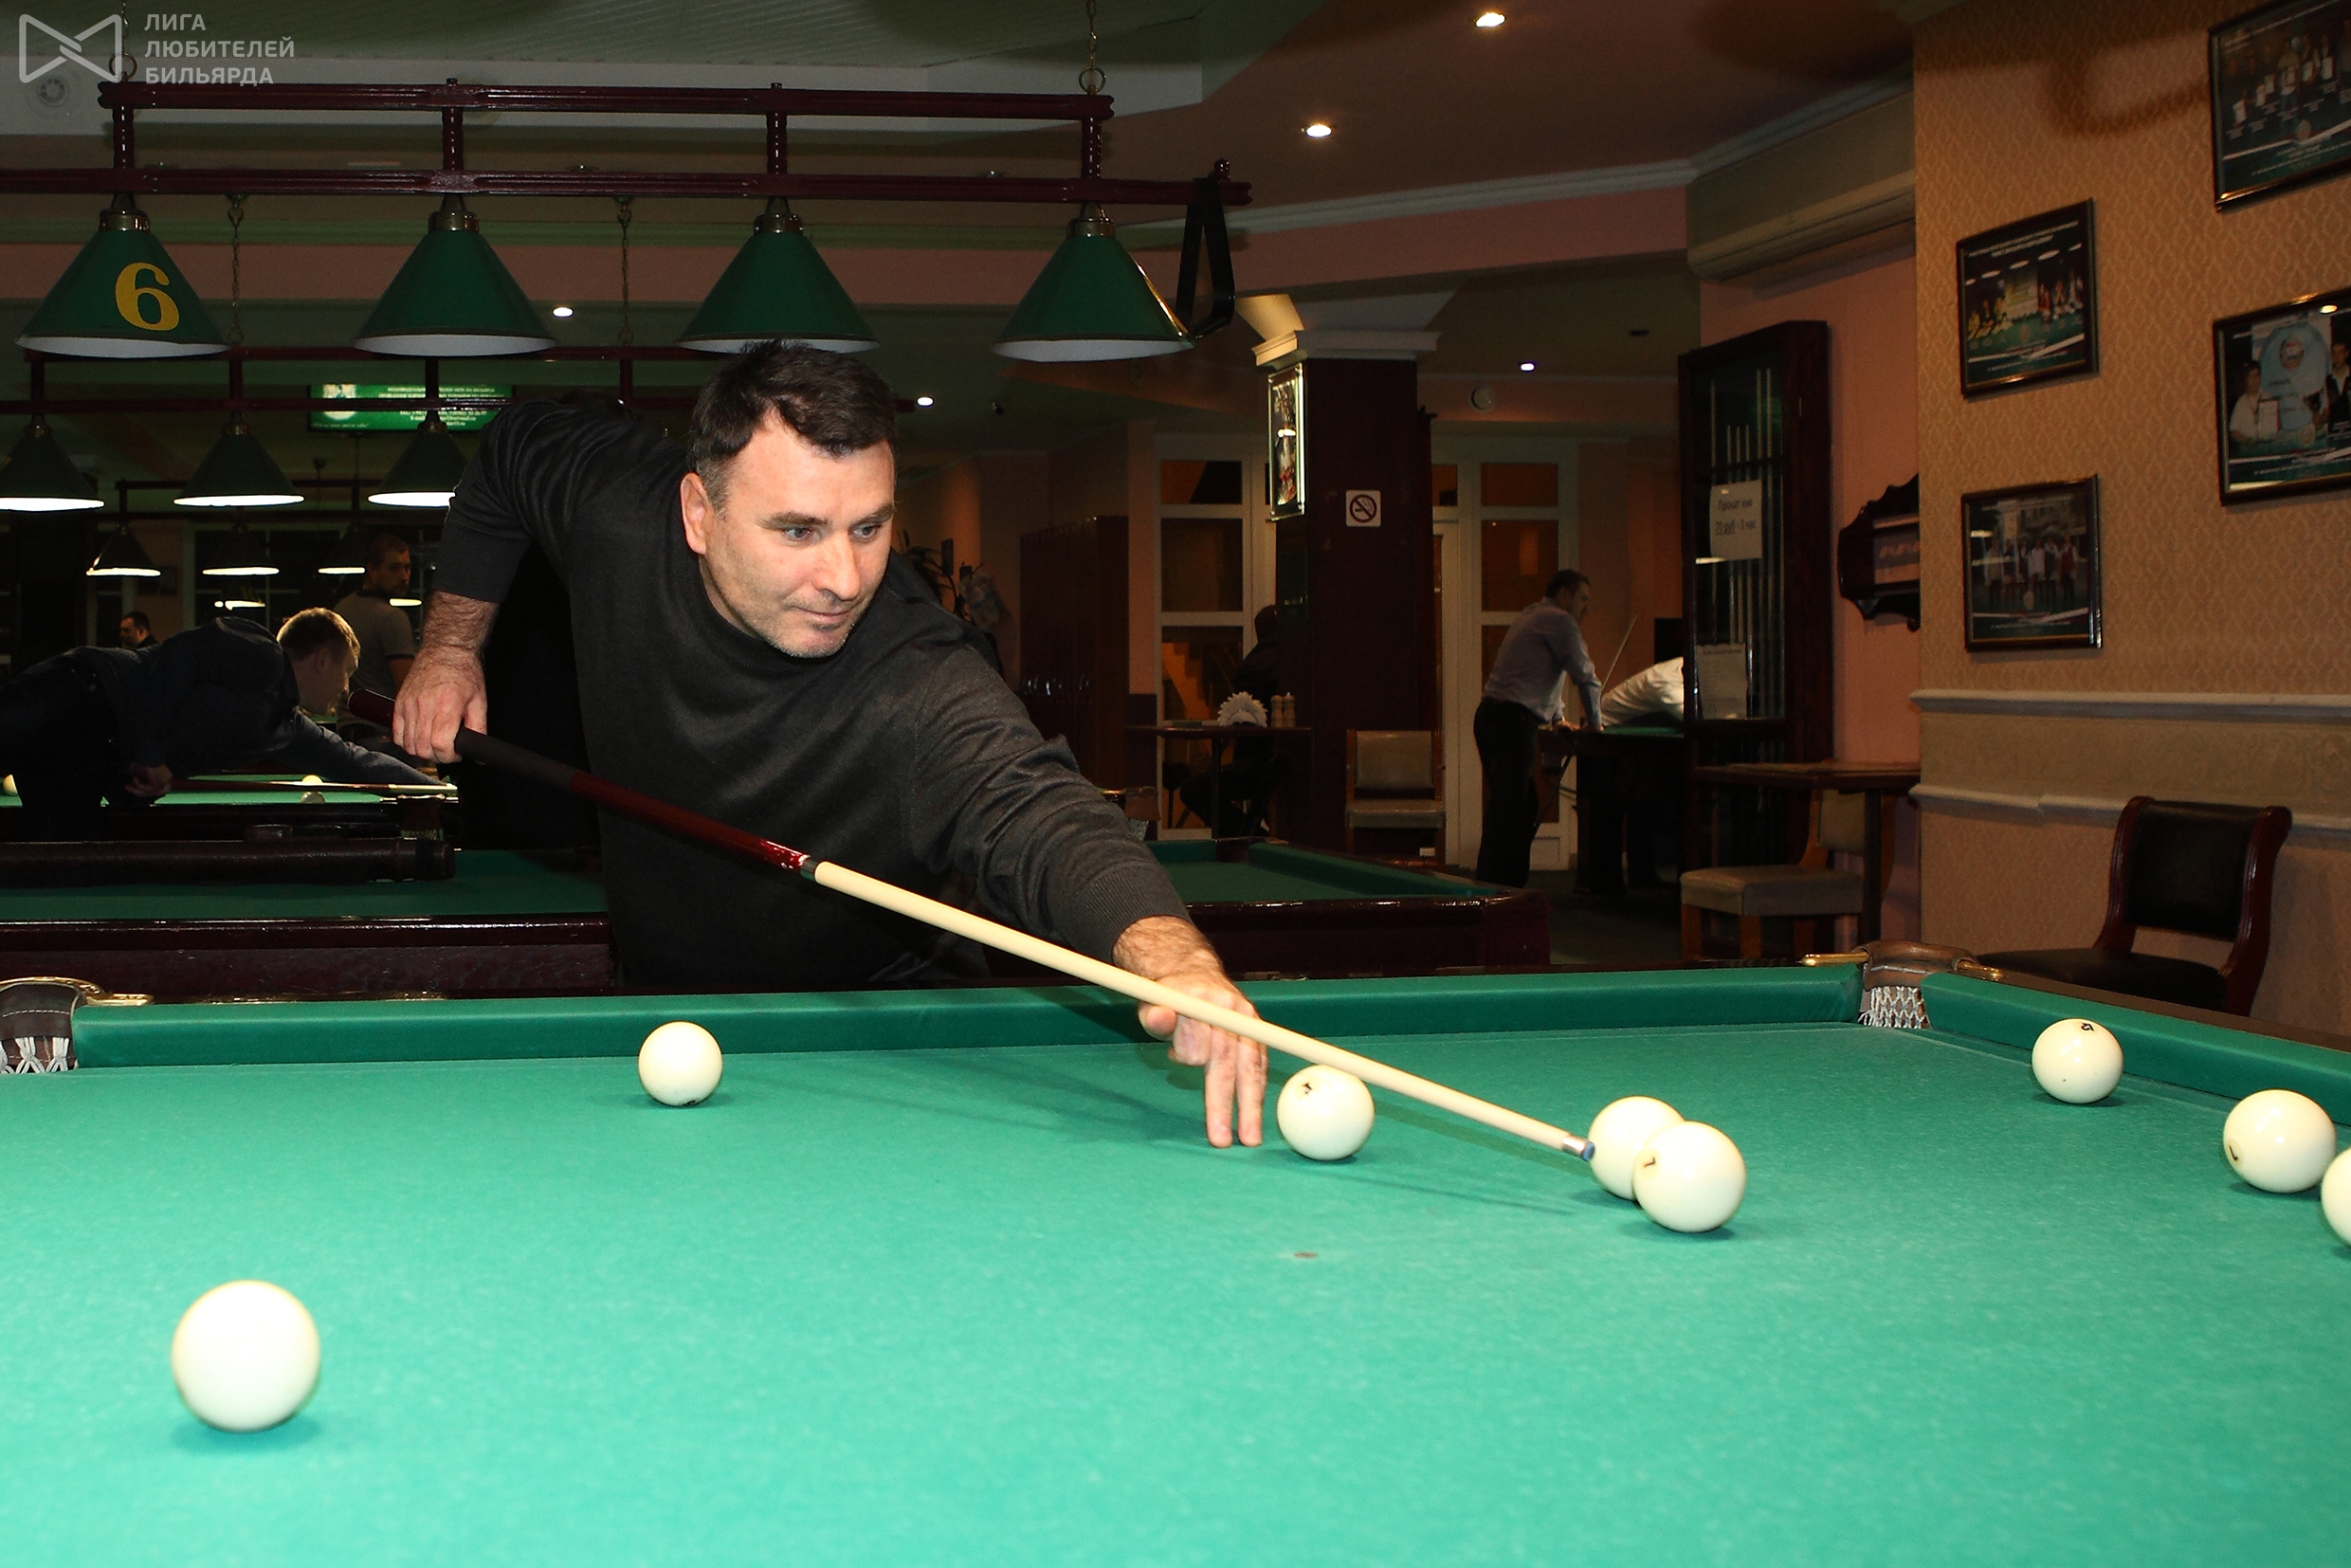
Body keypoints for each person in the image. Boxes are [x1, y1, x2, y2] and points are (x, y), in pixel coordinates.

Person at [393, 343, 1269, 1148]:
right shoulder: (616, 510)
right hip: (664, 1000)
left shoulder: (920, 676)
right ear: (698, 513)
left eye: (869, 528)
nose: (844, 580)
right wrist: (449, 648)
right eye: (798, 531)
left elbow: (1043, 816)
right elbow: (511, 450)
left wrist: (1172, 956)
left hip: (889, 1036)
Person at [0, 609, 433, 840]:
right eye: (347, 671)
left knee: (62, 858)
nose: (346, 687)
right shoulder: (262, 653)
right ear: (322, 660)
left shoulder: (287, 729)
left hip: (86, 755)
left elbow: (358, 763)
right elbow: (181, 657)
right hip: (79, 694)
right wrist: (150, 755)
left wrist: (436, 791)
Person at [1473, 569, 1601, 887]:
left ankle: (1499, 884)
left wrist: (1557, 718)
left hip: (1491, 717)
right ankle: (1500, 888)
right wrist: (1595, 724)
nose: (1586, 608)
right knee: (1511, 808)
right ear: (1564, 596)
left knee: (1516, 803)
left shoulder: (1532, 614)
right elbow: (1585, 675)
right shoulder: (1561, 621)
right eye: (1582, 599)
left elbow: (1540, 673)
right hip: (1512, 722)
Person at [1178, 605, 1285, 836]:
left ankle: (1250, 837)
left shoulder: (1254, 665)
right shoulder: (1295, 661)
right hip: (1284, 761)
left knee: (1194, 790)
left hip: (1257, 762)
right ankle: (1252, 837)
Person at [335, 533, 418, 698]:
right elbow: (407, 688)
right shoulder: (393, 618)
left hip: (346, 711)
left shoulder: (341, 609)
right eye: (394, 568)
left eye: (407, 568)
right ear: (373, 570)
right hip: (382, 712)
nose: (404, 576)